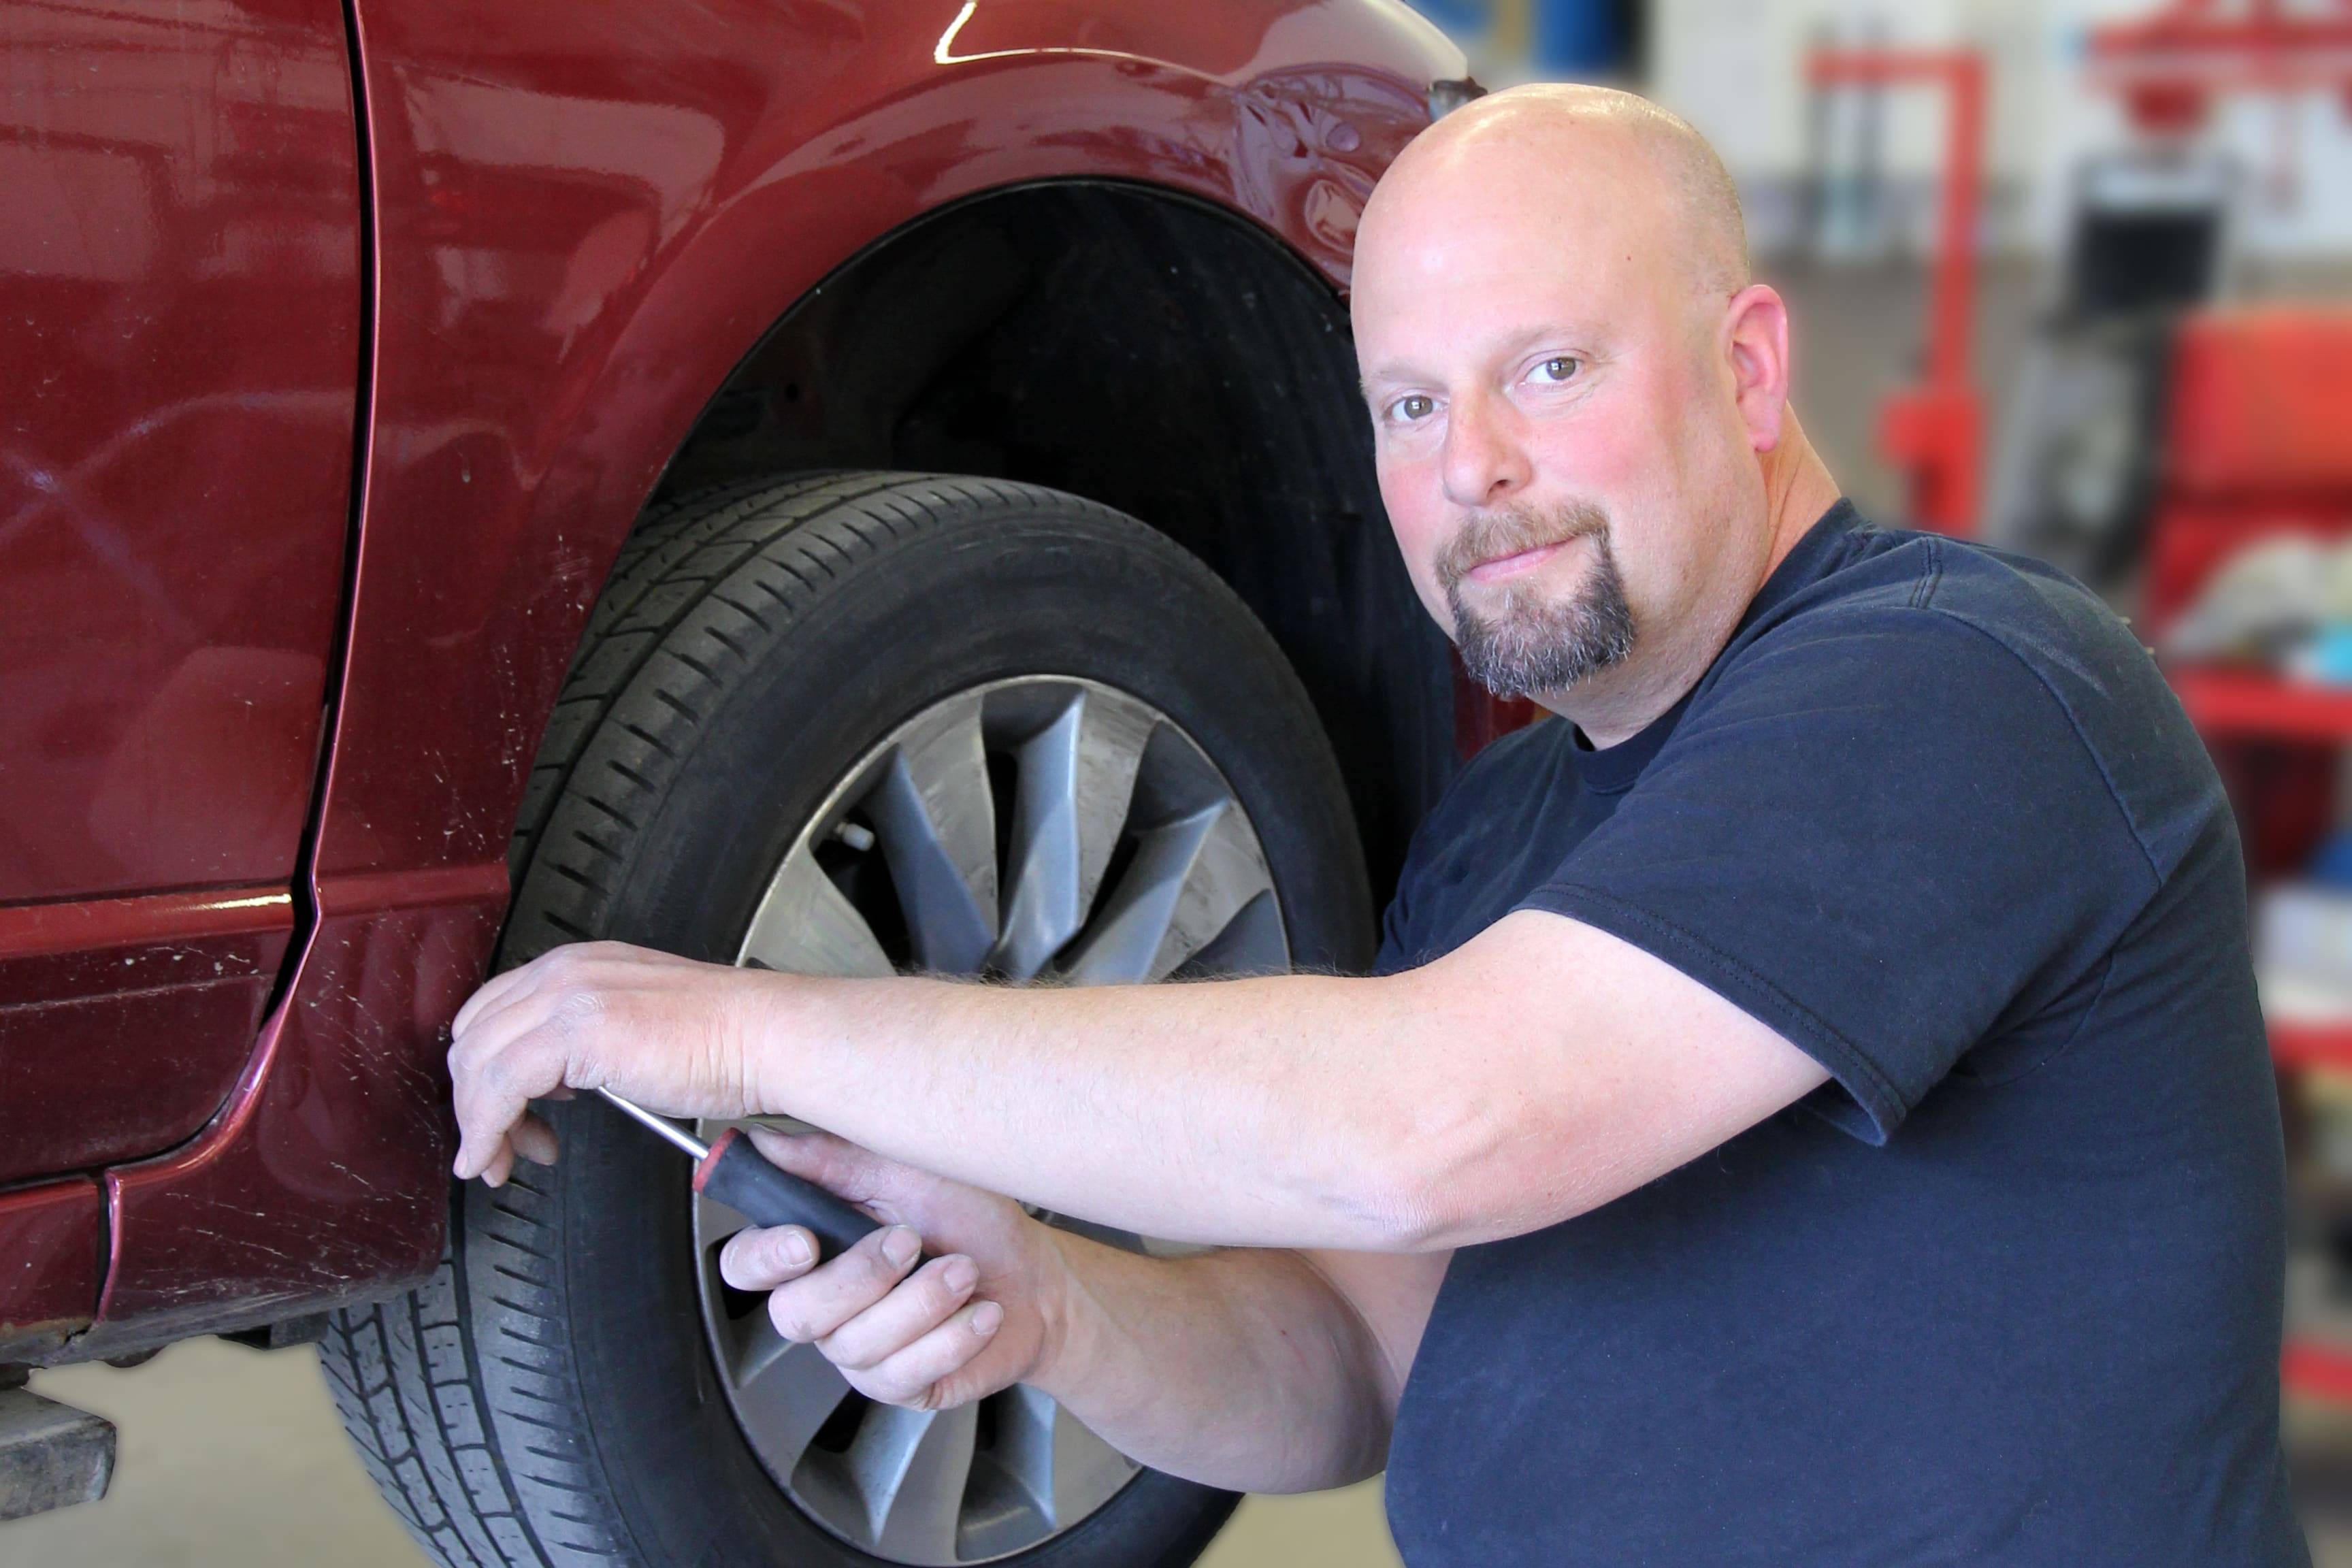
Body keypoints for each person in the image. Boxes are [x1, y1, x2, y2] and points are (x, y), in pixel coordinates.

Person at [444, 84, 2306, 1563]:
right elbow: (1355, 1361)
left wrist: (740, 1020)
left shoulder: (1966, 683)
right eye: (1411, 405)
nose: (1470, 467)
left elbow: (1436, 1125)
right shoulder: (1501, 840)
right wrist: (1047, 1303)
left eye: (1548, 370)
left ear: (1746, 370)